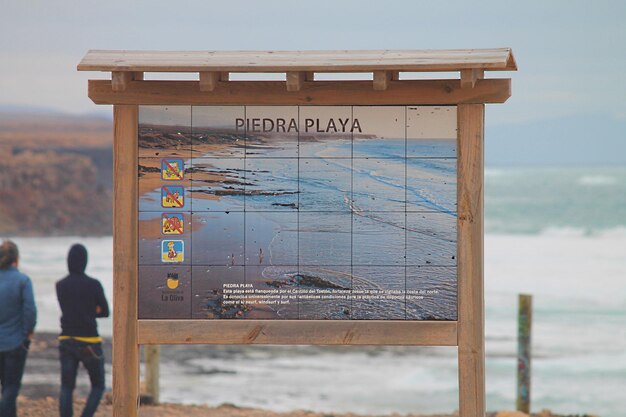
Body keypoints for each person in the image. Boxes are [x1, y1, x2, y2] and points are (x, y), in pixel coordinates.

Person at [56, 244, 109, 417]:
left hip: (67, 338)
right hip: (90, 341)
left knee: (66, 387)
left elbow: (69, 308)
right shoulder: (93, 284)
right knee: (98, 385)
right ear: (85, 262)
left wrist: (83, 310)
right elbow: (105, 311)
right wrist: (91, 311)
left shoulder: (60, 285)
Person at [0, 240, 37, 417]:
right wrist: (28, 333)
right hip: (15, 342)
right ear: (16, 258)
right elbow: (30, 310)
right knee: (11, 387)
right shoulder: (23, 280)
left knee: (4, 387)